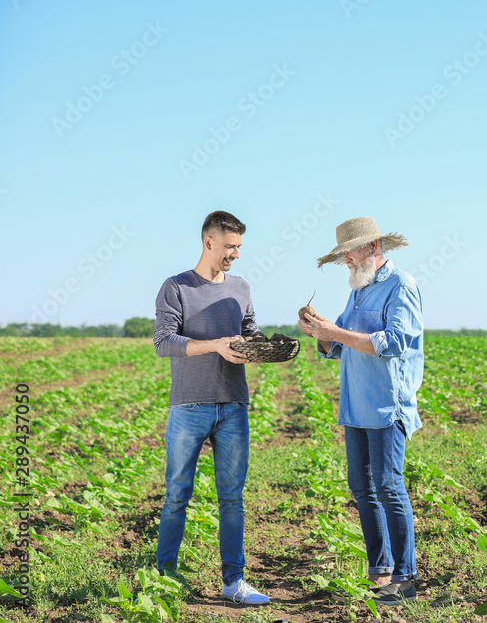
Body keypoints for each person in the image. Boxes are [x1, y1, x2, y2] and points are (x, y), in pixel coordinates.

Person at [298, 216, 423, 606]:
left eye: (349, 253)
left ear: (372, 248)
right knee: (363, 489)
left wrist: (334, 333)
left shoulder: (400, 285)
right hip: (355, 407)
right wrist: (320, 333)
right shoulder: (358, 291)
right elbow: (337, 347)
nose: (346, 261)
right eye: (343, 256)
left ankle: (406, 579)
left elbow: (394, 342)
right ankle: (381, 571)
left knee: (388, 486)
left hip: (388, 406)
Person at [152, 210, 270, 606]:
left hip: (234, 405)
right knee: (176, 494)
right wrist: (215, 344)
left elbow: (249, 333)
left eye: (239, 247)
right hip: (189, 405)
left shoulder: (242, 287)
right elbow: (164, 342)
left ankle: (233, 582)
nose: (235, 254)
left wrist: (262, 348)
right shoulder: (176, 287)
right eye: (230, 246)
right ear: (209, 242)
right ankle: (164, 576)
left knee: (232, 498)